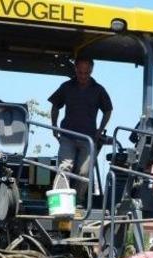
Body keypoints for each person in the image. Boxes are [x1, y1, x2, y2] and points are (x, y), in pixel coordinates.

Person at [48, 57, 113, 202]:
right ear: (76, 70)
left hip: (88, 138)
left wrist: (100, 130)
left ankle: (77, 201)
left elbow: (108, 110)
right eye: (80, 72)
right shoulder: (66, 86)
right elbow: (55, 106)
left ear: (91, 71)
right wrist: (54, 125)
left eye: (86, 73)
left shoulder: (98, 90)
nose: (83, 76)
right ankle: (61, 201)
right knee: (64, 168)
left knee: (84, 173)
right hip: (68, 136)